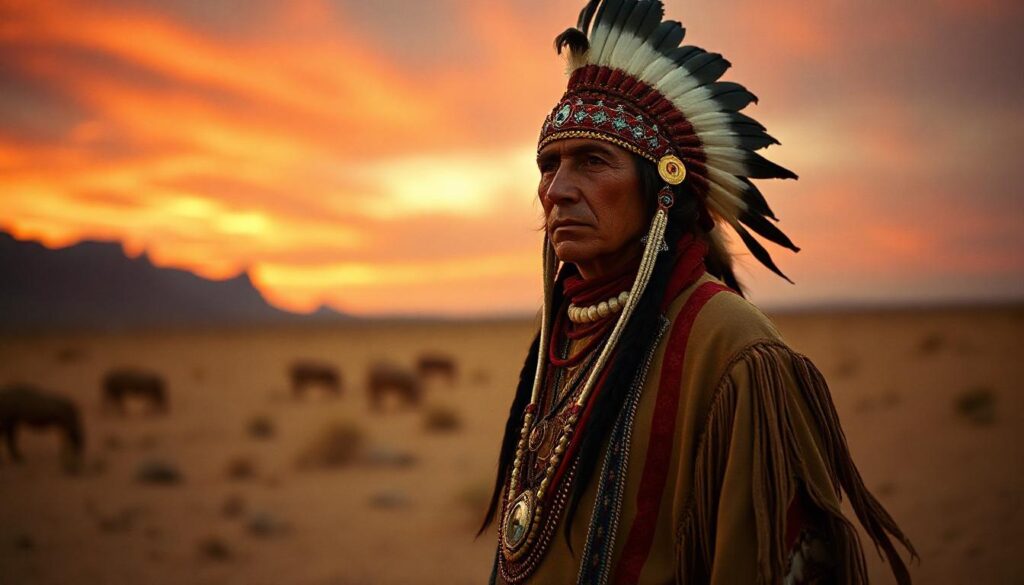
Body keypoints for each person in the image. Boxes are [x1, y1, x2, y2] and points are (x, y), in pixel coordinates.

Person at [479, 1, 917, 584]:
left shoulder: (735, 350)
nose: (557, 189)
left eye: (592, 161)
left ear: (662, 186)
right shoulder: (568, 335)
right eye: (548, 166)